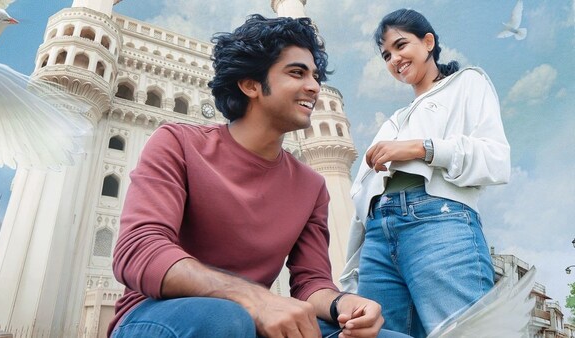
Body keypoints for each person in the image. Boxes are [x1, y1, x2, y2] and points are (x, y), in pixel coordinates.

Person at [110, 14, 410, 338]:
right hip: (159, 317)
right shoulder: (179, 144)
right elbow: (139, 250)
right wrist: (254, 299)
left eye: (315, 75)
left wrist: (342, 304)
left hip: (252, 321)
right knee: (224, 318)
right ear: (250, 84)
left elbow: (311, 283)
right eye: (297, 73)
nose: (313, 86)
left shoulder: (311, 187)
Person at [339, 8, 511, 338]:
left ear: (428, 42)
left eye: (401, 45)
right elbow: (361, 203)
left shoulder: (466, 83)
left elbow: (495, 158)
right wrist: (350, 278)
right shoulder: (393, 121)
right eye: (386, 54)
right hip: (377, 238)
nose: (394, 59)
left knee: (465, 333)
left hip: (436, 220)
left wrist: (422, 148)